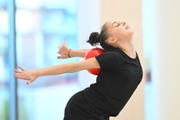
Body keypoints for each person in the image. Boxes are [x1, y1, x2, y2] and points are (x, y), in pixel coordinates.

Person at [14, 20, 143, 120]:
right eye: (117, 24)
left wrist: (70, 52)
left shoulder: (127, 56)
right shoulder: (115, 57)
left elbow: (95, 53)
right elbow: (73, 67)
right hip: (85, 109)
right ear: (112, 40)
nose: (123, 23)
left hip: (101, 113)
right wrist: (37, 73)